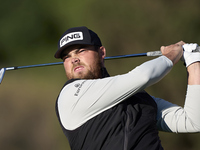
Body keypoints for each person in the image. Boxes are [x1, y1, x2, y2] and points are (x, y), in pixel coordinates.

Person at [54, 26, 200, 150]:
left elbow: (193, 122)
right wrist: (172, 55)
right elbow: (144, 77)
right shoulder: (70, 94)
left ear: (102, 53)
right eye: (66, 56)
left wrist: (193, 62)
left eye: (81, 51)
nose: (74, 59)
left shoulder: (138, 98)